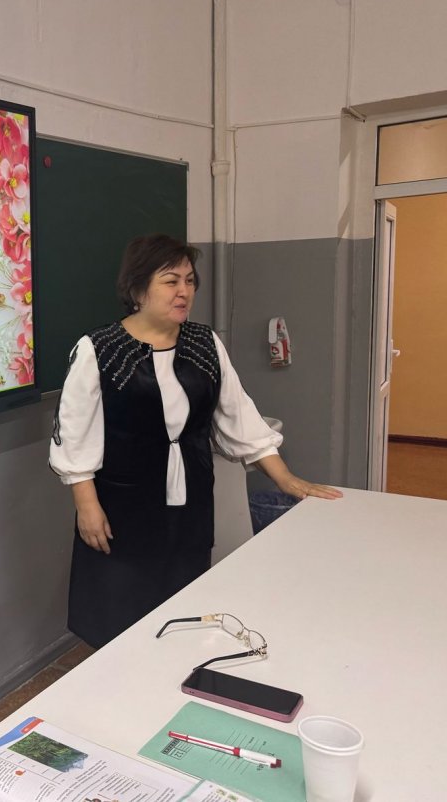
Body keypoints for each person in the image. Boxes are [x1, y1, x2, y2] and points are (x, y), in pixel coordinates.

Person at [49, 234, 342, 648]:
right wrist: (86, 505)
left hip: (191, 505)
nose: (184, 291)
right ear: (138, 289)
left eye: (189, 280)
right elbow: (75, 432)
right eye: (171, 281)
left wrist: (286, 479)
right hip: (123, 508)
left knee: (183, 602)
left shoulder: (205, 344)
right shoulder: (99, 349)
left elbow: (240, 416)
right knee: (121, 611)